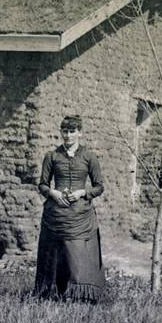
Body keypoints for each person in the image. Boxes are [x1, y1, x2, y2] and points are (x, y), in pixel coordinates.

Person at [33, 115, 106, 301]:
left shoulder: (89, 157)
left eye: (72, 131)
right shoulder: (52, 156)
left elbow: (99, 187)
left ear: (79, 133)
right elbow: (42, 185)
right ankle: (51, 294)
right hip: (56, 213)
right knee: (54, 255)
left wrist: (82, 193)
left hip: (80, 214)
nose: (68, 135)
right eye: (65, 131)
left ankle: (79, 296)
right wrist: (53, 193)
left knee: (77, 255)